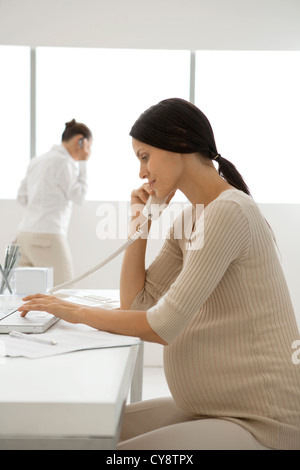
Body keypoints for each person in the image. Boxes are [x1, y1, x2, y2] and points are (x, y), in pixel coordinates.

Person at [18, 99, 300, 450]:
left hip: (262, 420)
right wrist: (141, 223)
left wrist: (75, 312)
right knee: (87, 435)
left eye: (145, 156)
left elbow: (163, 325)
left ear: (179, 143)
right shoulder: (190, 219)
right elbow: (136, 305)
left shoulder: (229, 212)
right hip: (218, 408)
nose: (141, 172)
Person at [16, 119, 93, 285]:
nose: (89, 150)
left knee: (26, 293)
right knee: (65, 290)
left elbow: (21, 197)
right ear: (81, 141)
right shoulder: (64, 163)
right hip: (47, 238)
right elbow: (79, 196)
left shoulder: (37, 161)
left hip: (23, 235)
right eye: (89, 145)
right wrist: (83, 162)